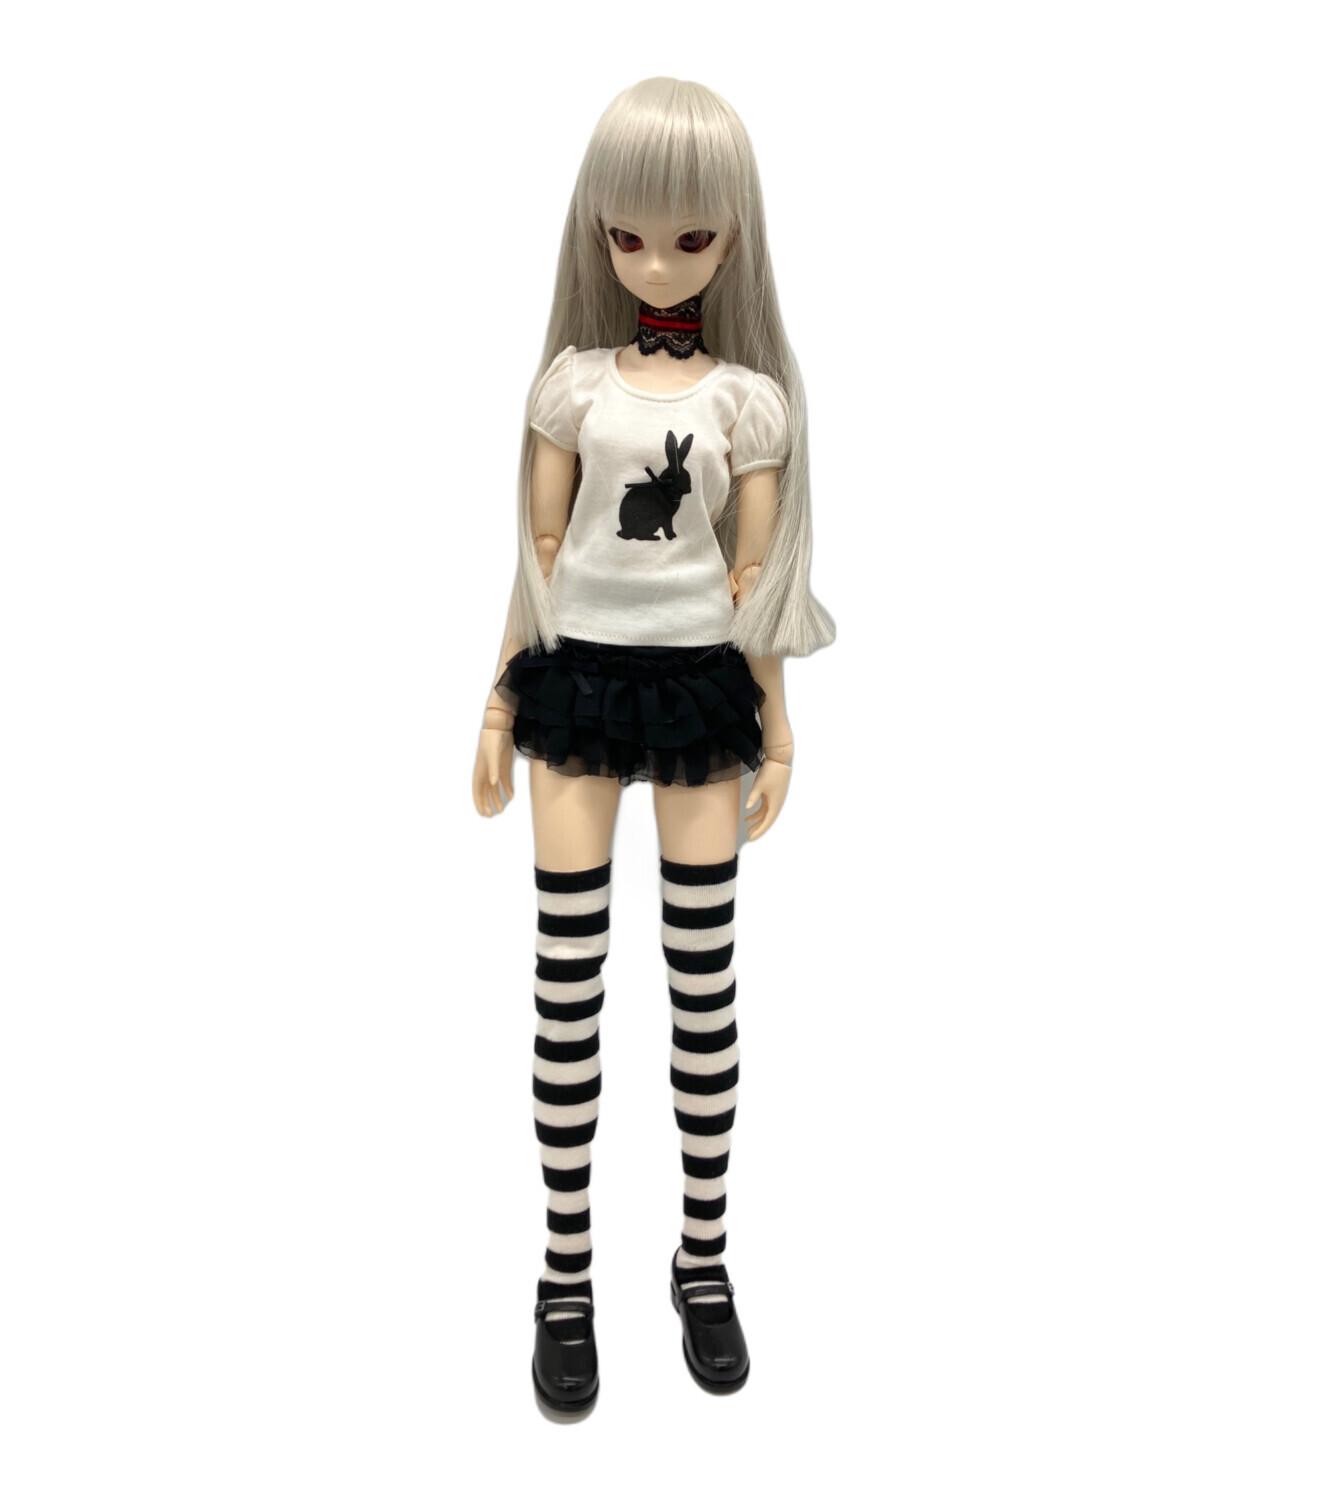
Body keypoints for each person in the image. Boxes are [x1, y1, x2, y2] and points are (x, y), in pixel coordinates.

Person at [470, 75, 835, 1419]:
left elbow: (759, 585)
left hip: (697, 694)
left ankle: (703, 1257)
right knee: (567, 982)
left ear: (731, 237)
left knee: (702, 984)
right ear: (600, 231)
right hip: (575, 687)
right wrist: (499, 701)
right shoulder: (572, 387)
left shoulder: (747, 402)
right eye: (630, 235)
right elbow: (536, 553)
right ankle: (564, 1275)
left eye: (690, 236)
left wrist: (777, 724)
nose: (660, 261)